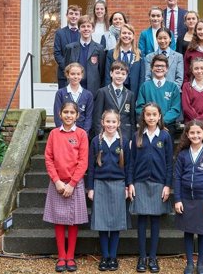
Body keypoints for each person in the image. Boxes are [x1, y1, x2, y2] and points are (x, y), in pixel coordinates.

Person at [43, 101, 89, 273]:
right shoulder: (54, 134)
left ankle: (71, 256)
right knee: (59, 220)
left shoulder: (82, 134)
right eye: (66, 112)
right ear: (60, 114)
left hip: (74, 184)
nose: (69, 115)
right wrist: (56, 181)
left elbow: (83, 161)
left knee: (73, 220)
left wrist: (72, 183)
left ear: (77, 115)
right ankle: (61, 256)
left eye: (72, 112)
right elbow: (48, 159)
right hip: (57, 183)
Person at [128, 102, 173, 273]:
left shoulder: (165, 137)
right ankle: (142, 256)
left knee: (155, 221)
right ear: (144, 117)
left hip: (158, 183)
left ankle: (153, 257)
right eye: (148, 115)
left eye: (154, 115)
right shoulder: (137, 135)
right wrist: (130, 183)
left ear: (159, 116)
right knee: (141, 221)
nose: (151, 117)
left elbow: (169, 163)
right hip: (140, 182)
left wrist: (167, 185)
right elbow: (131, 162)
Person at [87, 109, 130, 272]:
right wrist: (90, 187)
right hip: (100, 184)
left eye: (114, 122)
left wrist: (128, 185)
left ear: (118, 124)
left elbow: (129, 166)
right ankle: (104, 257)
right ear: (102, 123)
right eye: (108, 121)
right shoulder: (96, 141)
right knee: (102, 222)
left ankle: (113, 256)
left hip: (119, 184)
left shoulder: (124, 141)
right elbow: (91, 167)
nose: (111, 124)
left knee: (116, 222)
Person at [174, 119, 203, 274]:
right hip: (186, 199)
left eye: (198, 132)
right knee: (187, 231)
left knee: (202, 231)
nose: (195, 135)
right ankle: (189, 264)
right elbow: (177, 178)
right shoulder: (182, 155)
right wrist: (178, 199)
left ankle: (200, 264)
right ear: (187, 134)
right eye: (192, 132)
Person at [136, 54, 181, 138]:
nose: (159, 68)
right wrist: (152, 121)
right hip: (148, 127)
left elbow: (175, 109)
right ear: (152, 68)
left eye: (162, 66)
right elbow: (140, 108)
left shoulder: (173, 87)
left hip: (167, 127)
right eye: (156, 66)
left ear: (167, 69)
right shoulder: (145, 86)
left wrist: (161, 122)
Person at [65, 15, 105, 98]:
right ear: (79, 29)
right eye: (83, 26)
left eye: (88, 26)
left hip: (93, 90)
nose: (86, 29)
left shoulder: (99, 48)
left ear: (93, 29)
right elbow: (66, 70)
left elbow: (102, 72)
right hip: (74, 89)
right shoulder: (70, 48)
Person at [94, 61, 136, 141]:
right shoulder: (102, 92)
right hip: (106, 134)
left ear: (126, 76)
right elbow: (97, 117)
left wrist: (131, 138)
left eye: (123, 74)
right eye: (117, 73)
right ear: (111, 73)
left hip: (125, 134)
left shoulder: (130, 94)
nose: (120, 76)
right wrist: (100, 135)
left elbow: (132, 119)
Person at [105, 24, 145, 99]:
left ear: (133, 37)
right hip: (115, 90)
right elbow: (107, 75)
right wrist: (108, 94)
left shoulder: (139, 54)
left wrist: (140, 96)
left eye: (129, 33)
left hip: (133, 91)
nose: (126, 35)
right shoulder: (111, 53)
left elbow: (142, 76)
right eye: (124, 33)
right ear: (120, 35)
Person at [53, 63, 94, 137]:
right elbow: (57, 114)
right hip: (64, 133)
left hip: (81, 133)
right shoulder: (60, 93)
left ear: (82, 75)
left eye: (78, 74)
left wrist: (84, 133)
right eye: (72, 74)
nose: (75, 77)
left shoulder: (88, 95)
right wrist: (61, 131)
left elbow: (89, 116)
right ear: (67, 75)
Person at [145, 27, 184, 91]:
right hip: (154, 92)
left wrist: (170, 91)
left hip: (172, 93)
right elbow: (147, 77)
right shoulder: (149, 57)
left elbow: (179, 78)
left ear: (170, 39)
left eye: (165, 38)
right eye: (160, 38)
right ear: (156, 39)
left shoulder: (178, 57)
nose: (162, 41)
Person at [54, 5, 82, 89]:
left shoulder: (83, 33)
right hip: (64, 75)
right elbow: (57, 53)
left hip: (80, 74)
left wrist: (78, 70)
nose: (73, 16)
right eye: (71, 13)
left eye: (76, 14)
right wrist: (68, 69)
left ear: (80, 16)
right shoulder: (60, 33)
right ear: (67, 16)